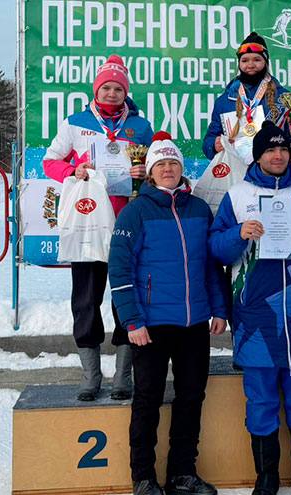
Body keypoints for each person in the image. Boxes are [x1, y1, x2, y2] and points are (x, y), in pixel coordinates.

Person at [209, 121, 291, 495]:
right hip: (254, 320)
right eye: (270, 150)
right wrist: (239, 234)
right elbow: (216, 248)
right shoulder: (237, 196)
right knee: (262, 400)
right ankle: (266, 476)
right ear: (259, 155)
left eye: (282, 149)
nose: (277, 155)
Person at [109, 132, 229, 495]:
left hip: (194, 323)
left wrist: (219, 308)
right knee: (147, 399)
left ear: (181, 169)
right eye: (160, 164)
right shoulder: (136, 211)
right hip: (151, 325)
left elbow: (210, 265)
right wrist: (132, 320)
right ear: (150, 172)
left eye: (173, 163)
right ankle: (143, 477)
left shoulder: (198, 209)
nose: (167, 169)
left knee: (191, 398)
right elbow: (120, 269)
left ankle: (182, 473)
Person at [42, 55, 153, 402]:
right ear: (96, 89)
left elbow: (156, 167)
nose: (111, 93)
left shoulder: (140, 126)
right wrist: (71, 172)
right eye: (106, 87)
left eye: (118, 88)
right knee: (86, 300)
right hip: (88, 222)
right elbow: (50, 161)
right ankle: (91, 377)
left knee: (125, 298)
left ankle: (123, 375)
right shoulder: (75, 123)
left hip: (126, 223)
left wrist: (143, 174)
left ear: (125, 92)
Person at [202, 31, 291, 164]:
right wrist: (213, 145)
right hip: (237, 173)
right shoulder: (225, 100)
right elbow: (208, 141)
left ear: (266, 62)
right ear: (239, 64)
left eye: (257, 60)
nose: (250, 65)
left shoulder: (284, 99)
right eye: (244, 60)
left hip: (274, 173)